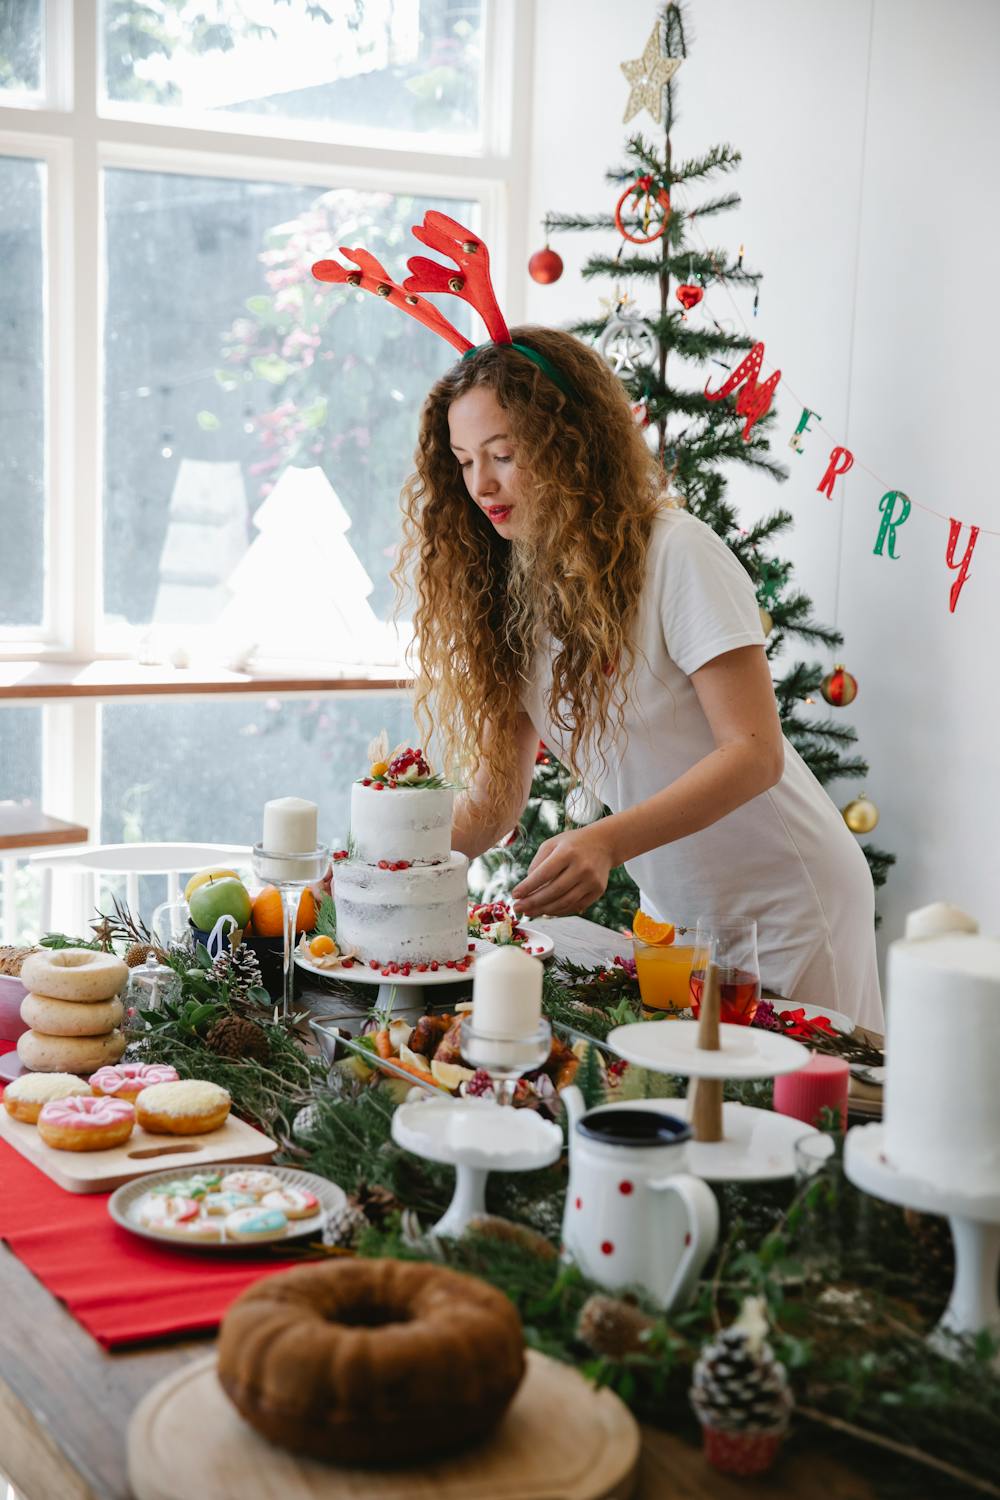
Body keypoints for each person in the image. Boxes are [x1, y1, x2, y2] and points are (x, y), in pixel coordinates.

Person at [394, 323, 882, 1031]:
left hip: (789, 905)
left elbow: (755, 753)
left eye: (503, 454)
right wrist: (386, 865)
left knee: (796, 1120)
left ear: (570, 446)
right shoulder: (505, 597)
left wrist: (607, 842)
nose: (482, 485)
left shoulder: (676, 555)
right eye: (465, 461)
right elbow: (495, 803)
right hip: (673, 917)